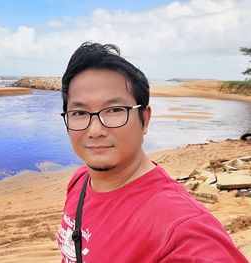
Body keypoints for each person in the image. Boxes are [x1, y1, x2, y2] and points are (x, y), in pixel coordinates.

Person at [57, 42, 248, 263]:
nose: (95, 130)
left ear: (144, 119)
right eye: (79, 112)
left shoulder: (182, 231)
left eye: (115, 110)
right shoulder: (80, 180)